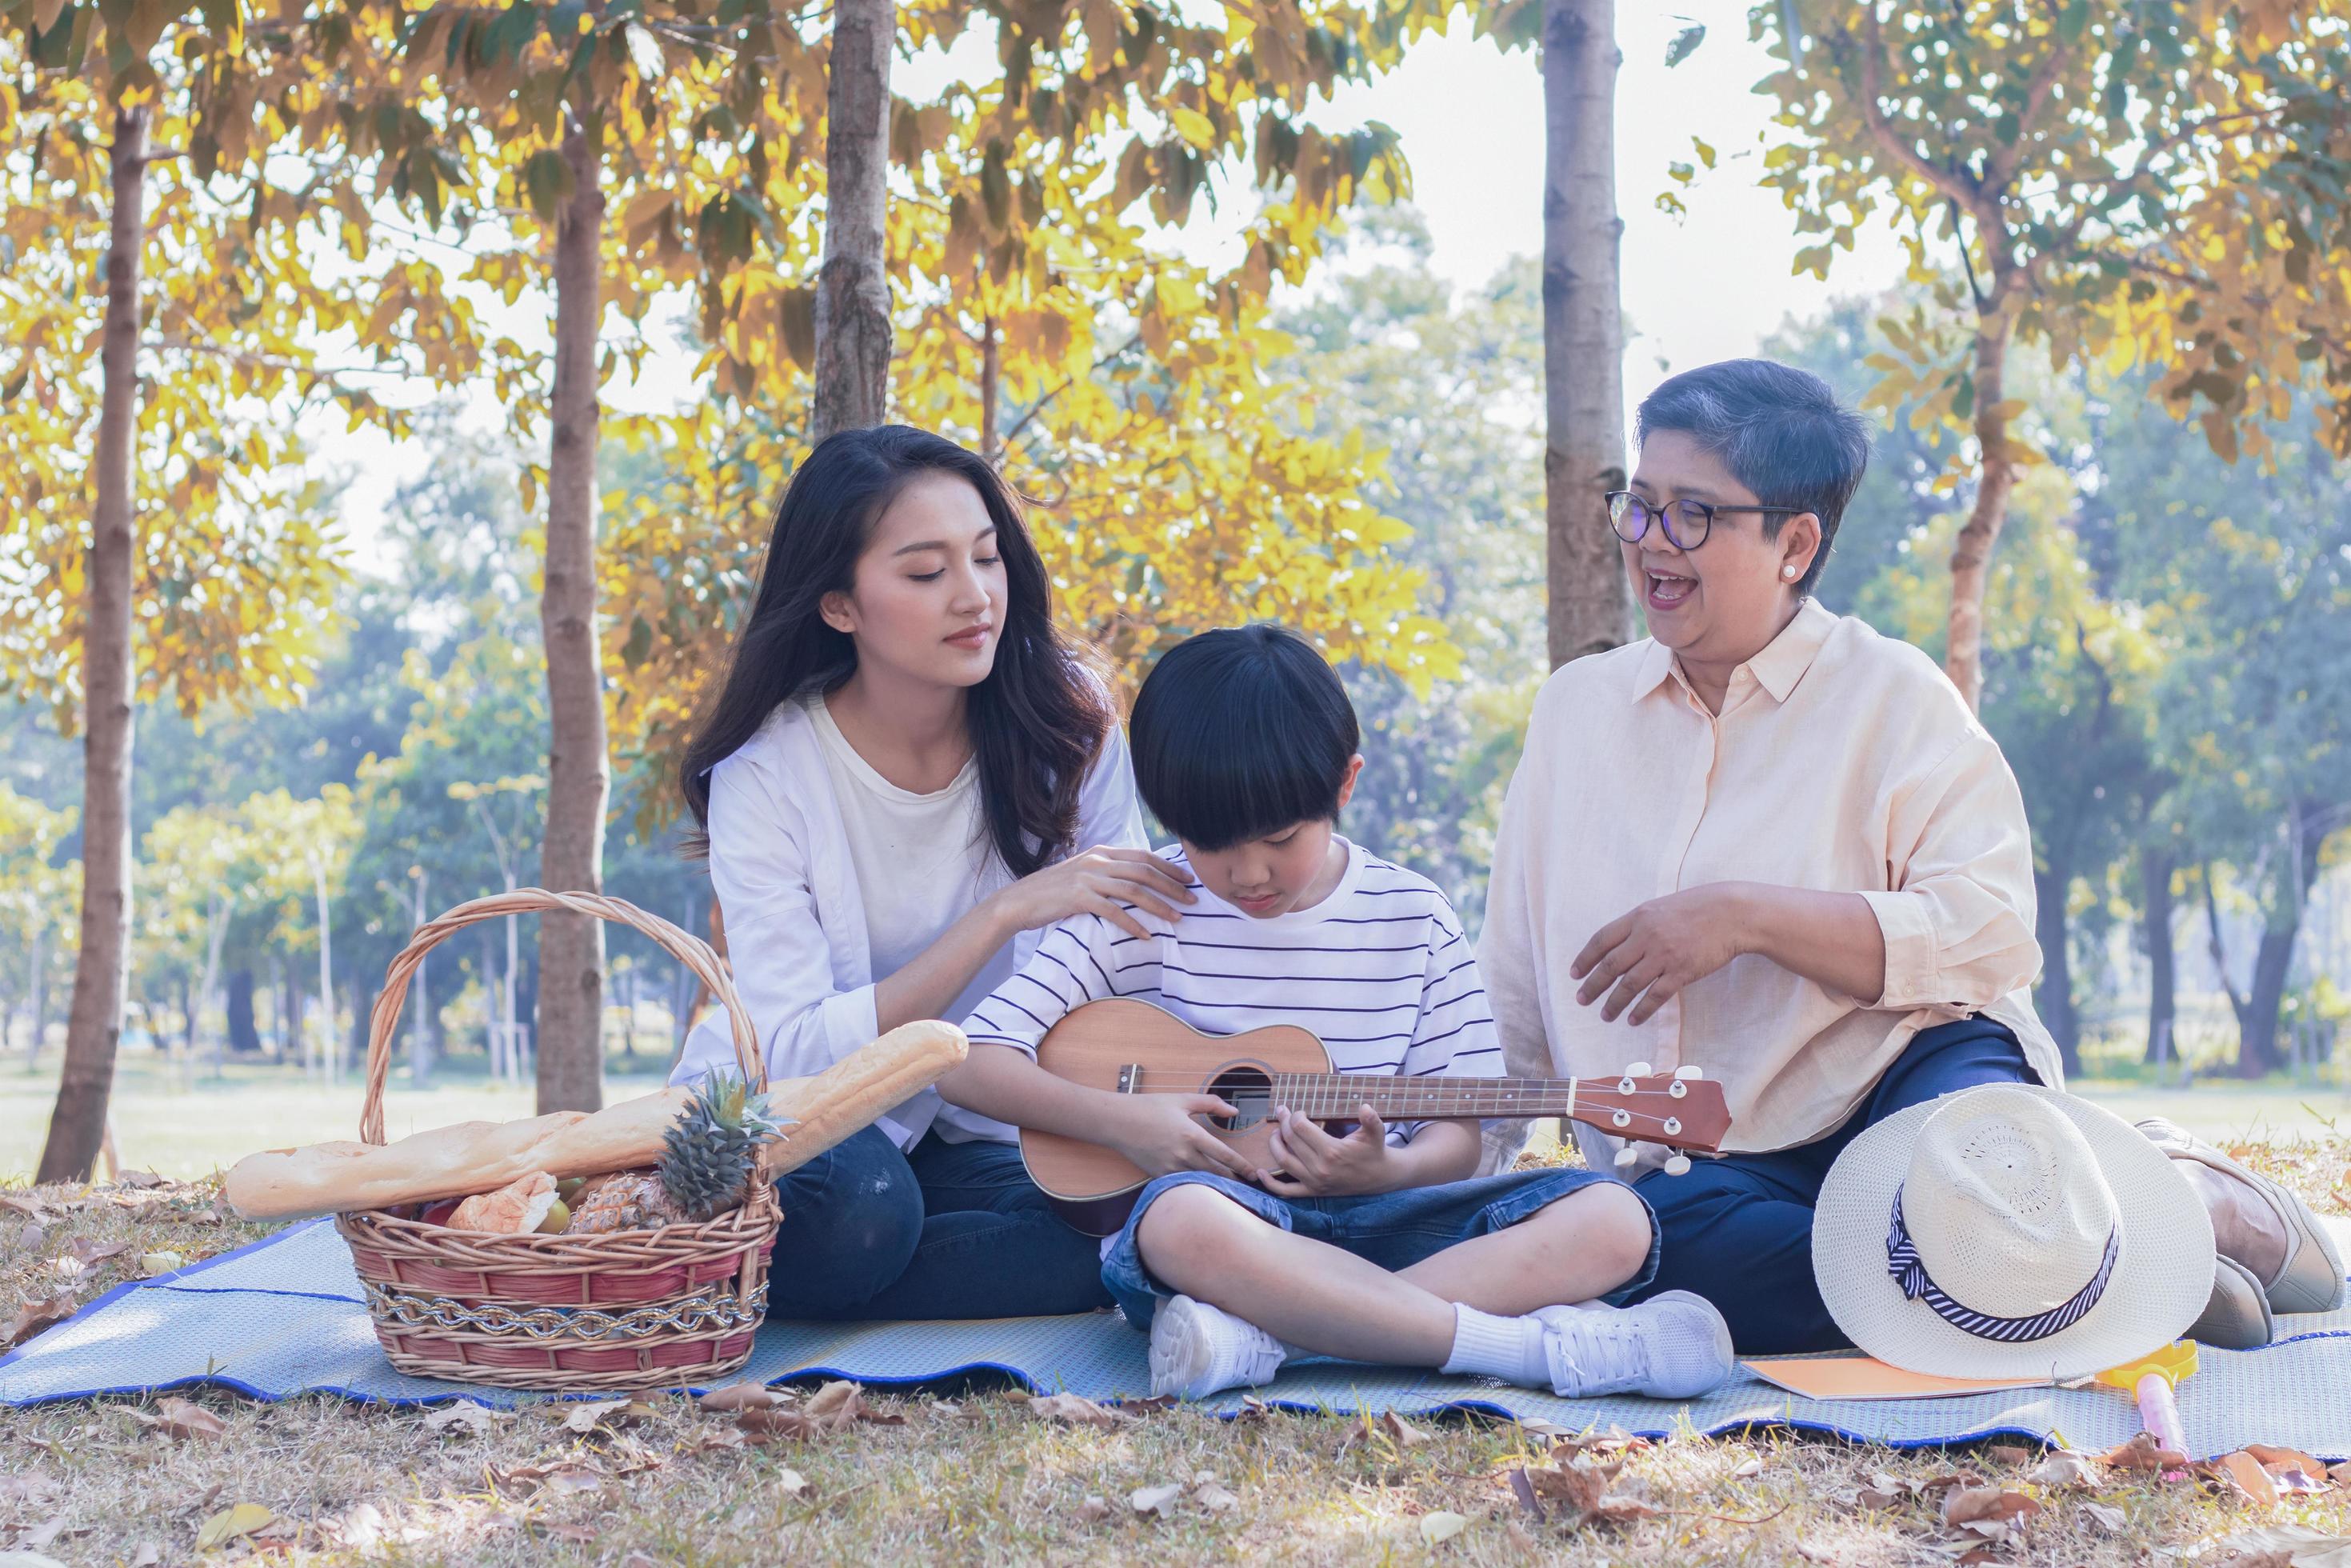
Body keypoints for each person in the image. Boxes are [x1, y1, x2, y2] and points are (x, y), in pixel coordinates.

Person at [1478, 358, 2344, 1354]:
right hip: (1705, 1162)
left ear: (1794, 543)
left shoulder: (1894, 696)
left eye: (1692, 515)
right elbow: (1512, 977)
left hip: (1907, 1076)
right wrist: (1453, 1162)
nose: (1650, 545)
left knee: (1964, 1177)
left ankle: (2172, 1200)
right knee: (1648, 1256)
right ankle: (2077, 1254)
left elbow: (1986, 935)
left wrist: (1745, 917)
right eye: (1638, 506)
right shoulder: (1574, 715)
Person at [936, 626, 1737, 1402]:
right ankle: (1525, 1349)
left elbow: (1456, 1138)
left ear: (1344, 785)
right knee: (1177, 1219)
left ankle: (1273, 1341)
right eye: (1211, 845)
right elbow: (966, 1059)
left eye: (1280, 838)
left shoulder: (1411, 916)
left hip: (1387, 1220)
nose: (1248, 873)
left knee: (1612, 1217)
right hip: (1235, 1239)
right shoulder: (1138, 907)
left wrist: (1389, 1170)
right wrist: (1121, 1123)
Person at [672, 424, 1196, 1319]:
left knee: (1106, 1229)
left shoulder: (1068, 727)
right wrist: (996, 919)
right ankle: (780, 1256)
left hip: (984, 1116)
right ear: (839, 605)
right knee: (857, 1213)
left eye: (986, 558)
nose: (975, 596)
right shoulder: (765, 774)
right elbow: (793, 1048)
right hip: (801, 1116)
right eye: (925, 573)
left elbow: (1130, 956)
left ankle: (769, 1281)